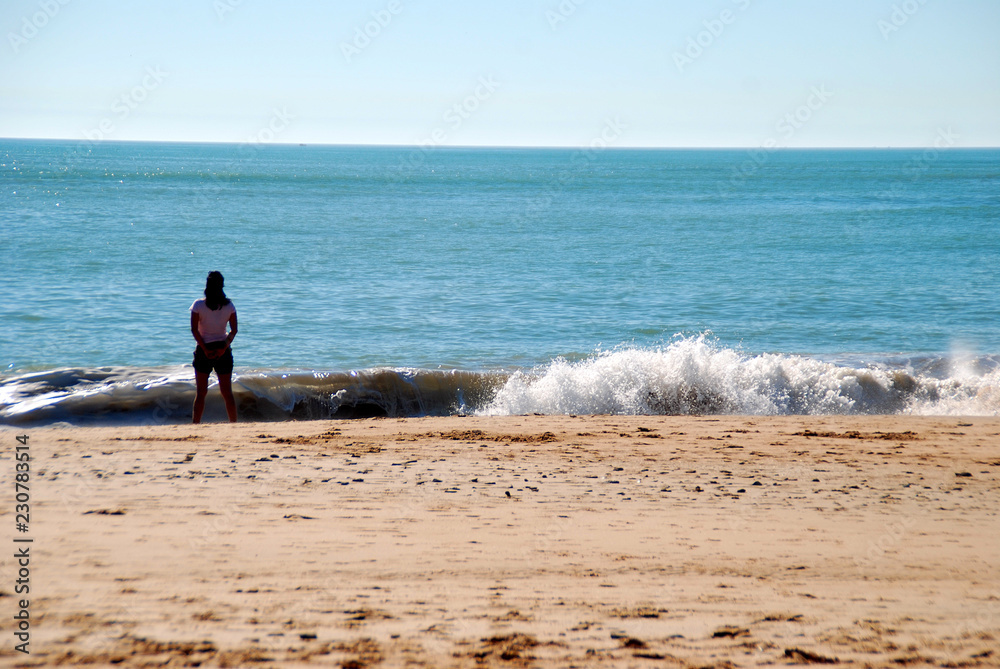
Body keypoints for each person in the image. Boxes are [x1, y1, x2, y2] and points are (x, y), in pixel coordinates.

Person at [190, 271, 238, 423]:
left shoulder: (198, 305)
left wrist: (204, 349)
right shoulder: (229, 306)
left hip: (204, 350)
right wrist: (223, 348)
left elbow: (194, 330)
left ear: (207, 285)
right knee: (227, 392)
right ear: (222, 286)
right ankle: (234, 424)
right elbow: (234, 330)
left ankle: (195, 425)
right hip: (222, 350)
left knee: (201, 392)